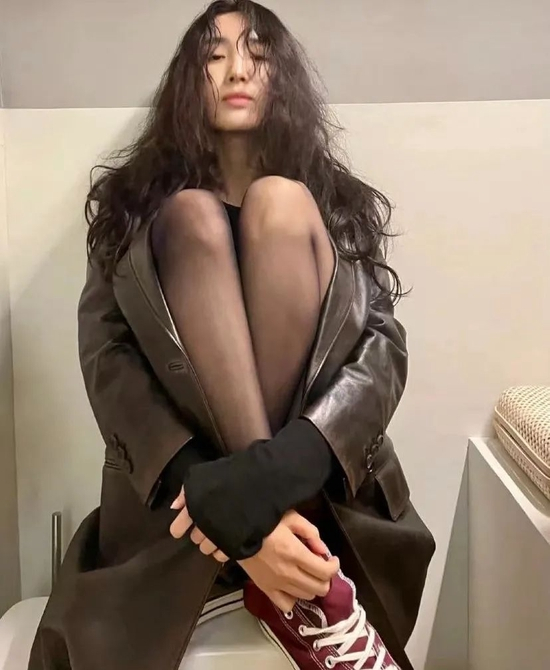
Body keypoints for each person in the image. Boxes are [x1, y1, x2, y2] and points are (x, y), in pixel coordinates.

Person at [28, 2, 435, 669]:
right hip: (183, 508)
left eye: (257, 55)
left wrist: (279, 471)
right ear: (187, 80)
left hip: (321, 500)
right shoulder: (134, 207)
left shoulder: (333, 201)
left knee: (280, 203)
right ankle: (294, 583)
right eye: (214, 56)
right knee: (189, 215)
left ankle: (265, 521)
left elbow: (381, 350)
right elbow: (109, 360)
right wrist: (217, 500)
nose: (236, 71)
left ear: (283, 77)